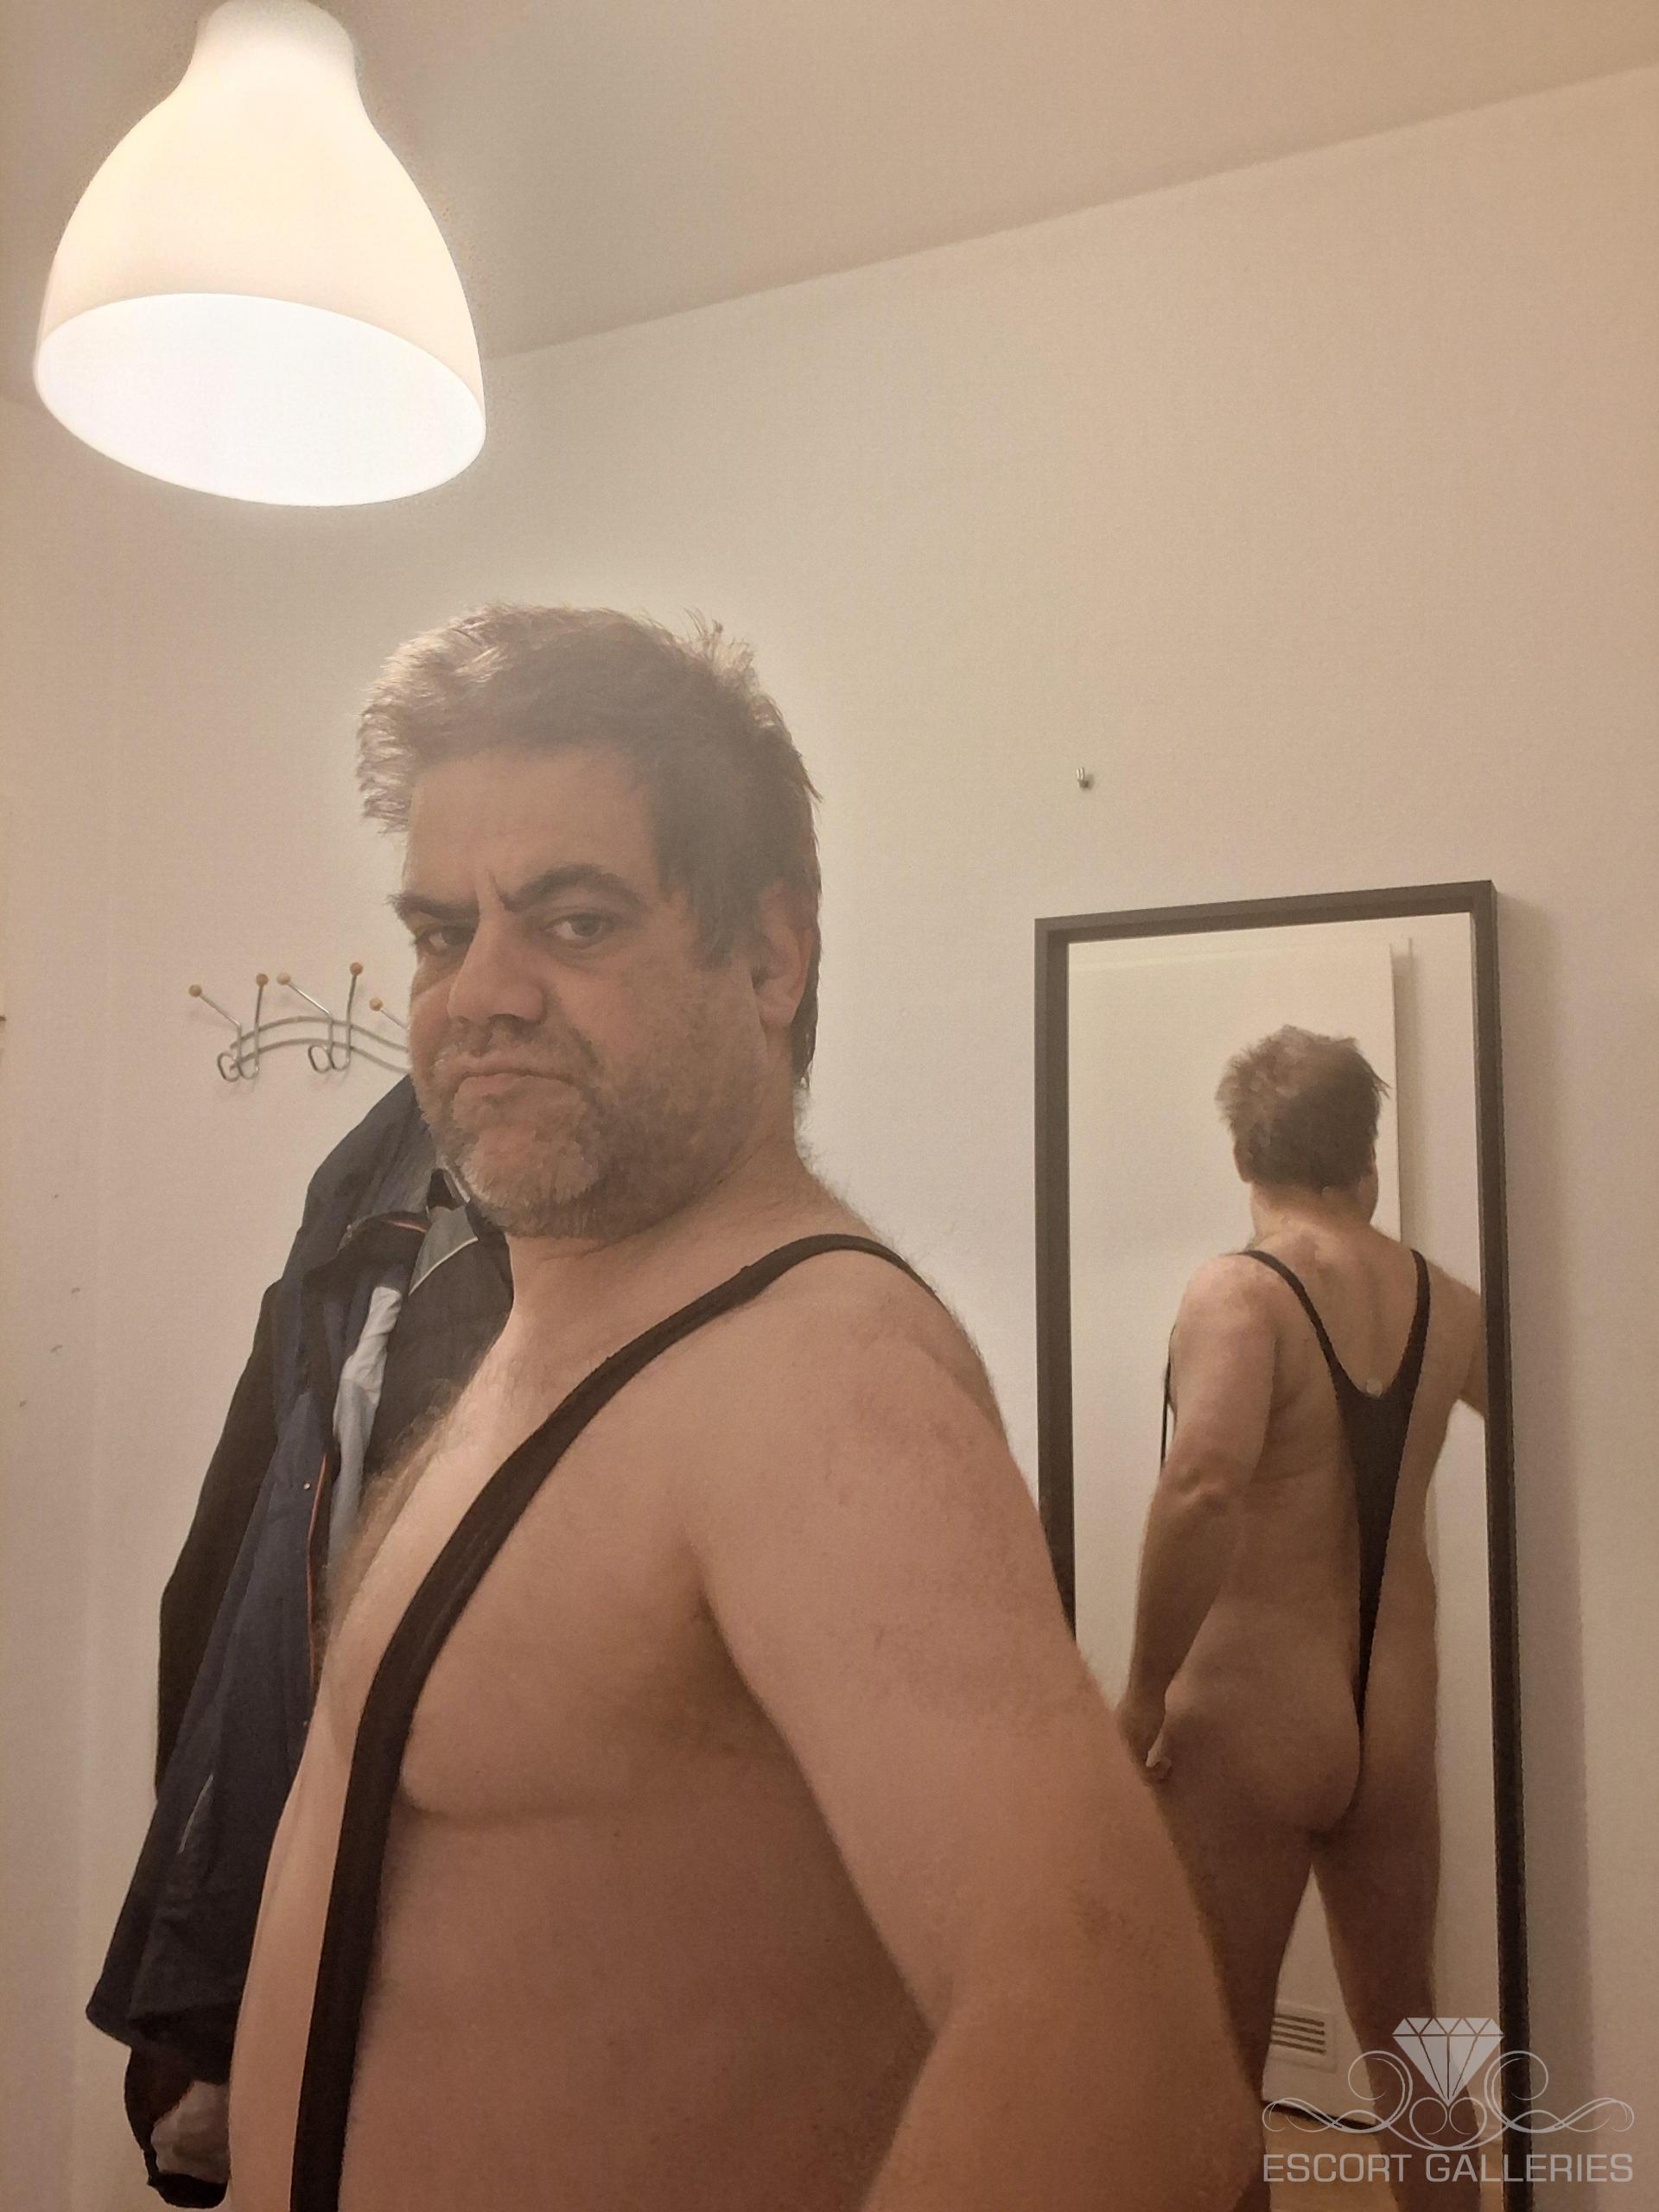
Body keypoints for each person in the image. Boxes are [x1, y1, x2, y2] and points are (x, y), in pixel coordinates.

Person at [225, 605, 1252, 2211]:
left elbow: (1126, 2069)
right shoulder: (559, 1332)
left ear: (772, 958)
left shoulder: (811, 1377)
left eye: (572, 923)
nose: (478, 994)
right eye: (439, 932)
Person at [1117, 1027, 1487, 2212]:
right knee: (1412, 2034)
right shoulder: (1451, 1302)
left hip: (1254, 1714)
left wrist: (1142, 1690)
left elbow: (1204, 1484)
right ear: (1366, 1156)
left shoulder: (1240, 1291)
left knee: (1217, 2054)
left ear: (1245, 1155)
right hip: (1393, 1712)